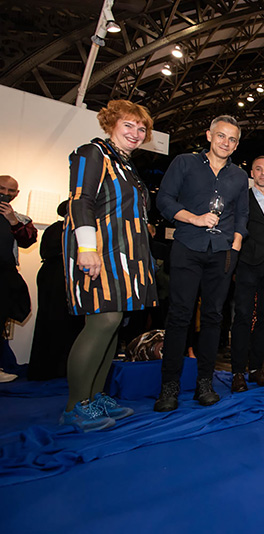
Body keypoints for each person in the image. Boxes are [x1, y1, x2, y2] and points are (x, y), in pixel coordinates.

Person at [60, 100, 157, 431]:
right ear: (111, 124)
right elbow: (80, 200)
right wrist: (87, 248)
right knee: (103, 322)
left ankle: (96, 397)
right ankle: (76, 406)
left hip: (124, 256)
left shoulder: (126, 165)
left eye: (141, 128)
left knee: (113, 325)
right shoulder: (93, 153)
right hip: (99, 251)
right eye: (128, 125)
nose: (136, 133)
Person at [155, 115, 249, 412]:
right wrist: (194, 218)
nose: (226, 143)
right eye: (221, 136)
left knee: (213, 318)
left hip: (222, 253)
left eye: (232, 139)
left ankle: (204, 383)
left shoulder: (239, 176)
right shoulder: (184, 163)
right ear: (208, 135)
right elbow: (164, 201)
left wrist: (236, 242)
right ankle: (169, 386)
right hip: (187, 246)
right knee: (179, 316)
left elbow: (243, 214)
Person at [229, 156, 264, 393]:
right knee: (242, 317)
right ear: (252, 173)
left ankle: (256, 368)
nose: (263, 173)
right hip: (248, 264)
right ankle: (238, 372)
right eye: (259, 169)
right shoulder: (242, 200)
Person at [28, 200, 84, 381]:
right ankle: (50, 368)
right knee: (53, 322)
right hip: (56, 280)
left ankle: (64, 367)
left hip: (65, 279)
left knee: (68, 324)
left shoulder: (73, 230)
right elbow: (50, 253)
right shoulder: (58, 229)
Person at [0, 174, 38, 383]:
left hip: (5, 276)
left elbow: (28, 240)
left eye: (10, 191)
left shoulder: (21, 218)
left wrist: (13, 221)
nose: (5, 194)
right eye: (2, 189)